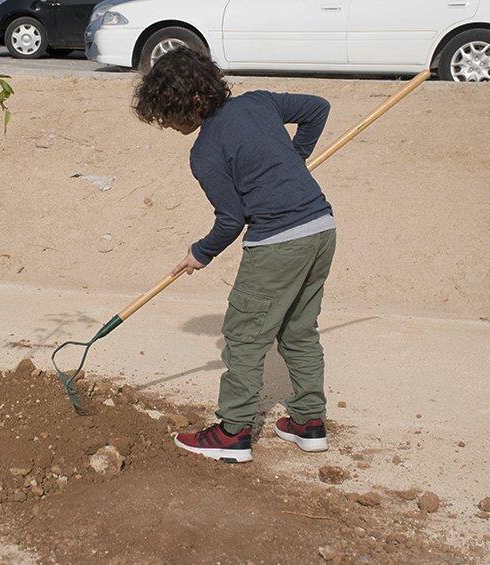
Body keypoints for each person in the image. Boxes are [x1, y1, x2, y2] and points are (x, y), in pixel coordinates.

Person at [133, 48, 336, 463]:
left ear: (191, 102)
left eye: (168, 114)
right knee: (298, 330)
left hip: (277, 242)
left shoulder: (205, 151)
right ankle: (309, 423)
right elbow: (318, 108)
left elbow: (232, 220)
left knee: (245, 335)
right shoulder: (258, 102)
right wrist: (296, 159)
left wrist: (199, 253)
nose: (169, 125)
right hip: (321, 228)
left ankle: (232, 433)